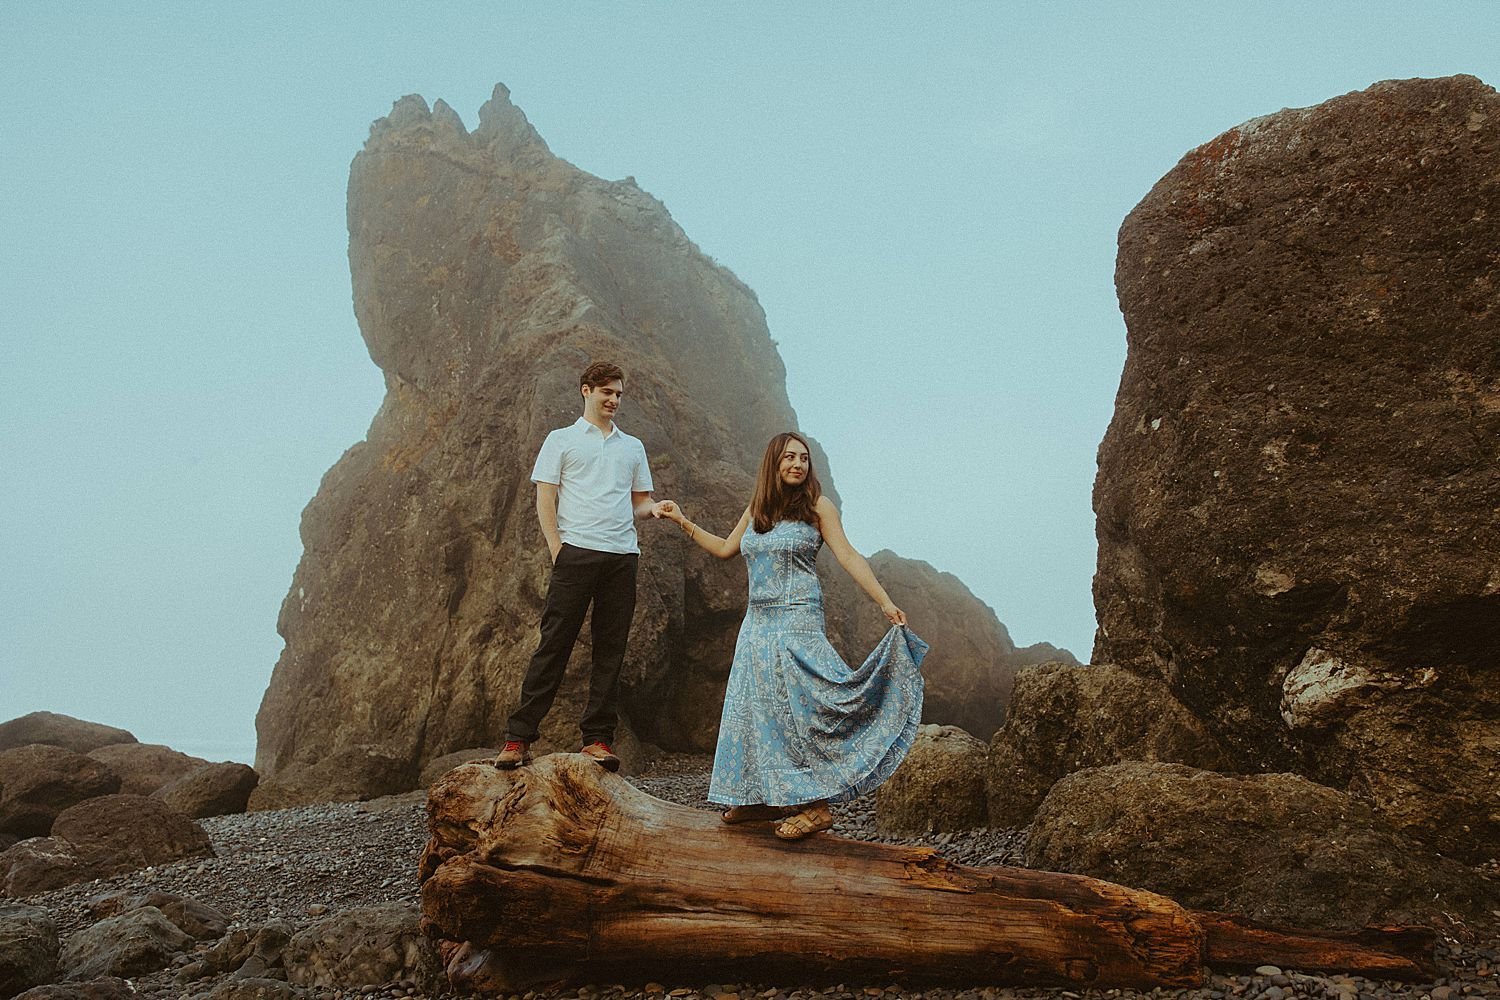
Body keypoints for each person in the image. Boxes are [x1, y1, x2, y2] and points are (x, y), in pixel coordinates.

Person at [659, 431, 927, 840]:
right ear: (774, 463)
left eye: (804, 458)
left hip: (797, 619)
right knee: (755, 708)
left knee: (803, 708)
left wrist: (884, 602)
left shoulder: (818, 507)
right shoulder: (757, 508)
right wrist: (681, 520)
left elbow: (848, 555)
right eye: (789, 457)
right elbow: (726, 549)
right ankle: (758, 801)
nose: (798, 464)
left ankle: (816, 807)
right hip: (757, 624)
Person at [495, 361, 671, 772]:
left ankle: (597, 739)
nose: (613, 400)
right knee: (554, 645)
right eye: (606, 392)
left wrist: (655, 509)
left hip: (622, 558)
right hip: (576, 554)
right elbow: (545, 498)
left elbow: (639, 502)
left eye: (619, 394)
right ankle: (518, 738)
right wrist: (558, 548)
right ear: (586, 391)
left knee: (611, 651)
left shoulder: (632, 447)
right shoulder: (561, 440)